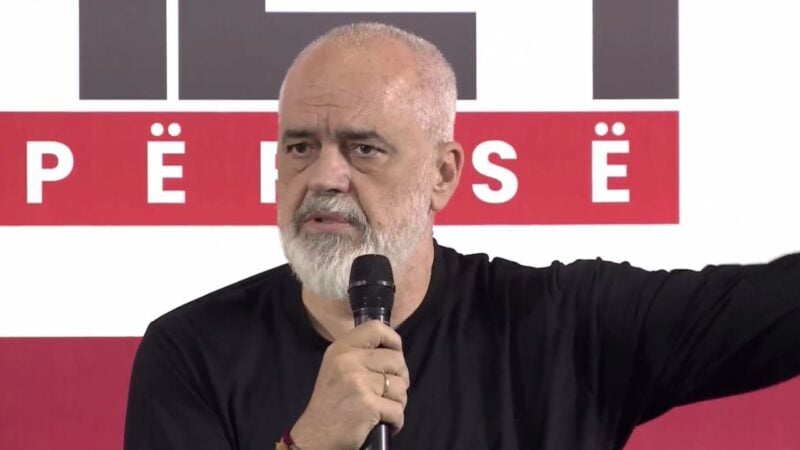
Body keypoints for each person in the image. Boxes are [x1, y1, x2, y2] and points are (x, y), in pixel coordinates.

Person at [123, 22, 800, 450]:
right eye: (301, 147)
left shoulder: (567, 326)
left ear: (442, 175)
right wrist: (309, 445)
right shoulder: (192, 352)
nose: (324, 176)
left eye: (363, 148)